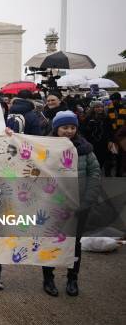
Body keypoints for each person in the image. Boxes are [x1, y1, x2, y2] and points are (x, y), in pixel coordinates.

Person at [42, 111, 100, 297]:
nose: (69, 131)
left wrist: (87, 200)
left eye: (72, 127)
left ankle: (72, 278)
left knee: (74, 243)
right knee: (50, 241)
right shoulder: (45, 147)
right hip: (54, 205)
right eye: (64, 127)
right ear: (56, 128)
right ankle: (48, 278)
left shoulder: (85, 149)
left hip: (79, 205)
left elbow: (94, 174)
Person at [80, 101, 112, 175]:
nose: (100, 108)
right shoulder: (88, 118)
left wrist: (110, 141)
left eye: (101, 107)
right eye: (97, 107)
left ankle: (99, 173)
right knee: (92, 160)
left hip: (103, 142)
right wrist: (90, 126)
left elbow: (110, 130)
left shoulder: (106, 118)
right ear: (93, 108)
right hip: (91, 142)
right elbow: (83, 130)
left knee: (102, 158)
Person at [107, 93, 125, 177]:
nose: (114, 101)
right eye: (113, 100)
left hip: (122, 135)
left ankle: (119, 173)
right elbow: (107, 123)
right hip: (111, 134)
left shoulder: (124, 109)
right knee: (111, 154)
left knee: (121, 155)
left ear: (119, 100)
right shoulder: (108, 109)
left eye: (116, 100)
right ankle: (108, 173)